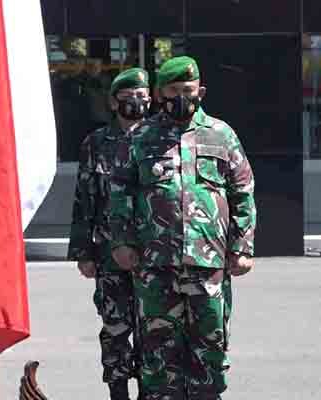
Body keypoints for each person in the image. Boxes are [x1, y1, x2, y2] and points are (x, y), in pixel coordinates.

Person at [110, 56, 256, 399]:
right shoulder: (141, 137)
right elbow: (120, 191)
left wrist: (242, 247)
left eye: (188, 90)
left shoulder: (221, 134)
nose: (181, 97)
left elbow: (243, 191)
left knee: (211, 350)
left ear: (200, 92)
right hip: (154, 266)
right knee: (157, 357)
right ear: (160, 94)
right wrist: (121, 242)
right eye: (173, 90)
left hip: (208, 264)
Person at [68, 67, 152, 400]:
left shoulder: (160, 139)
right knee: (115, 327)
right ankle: (118, 391)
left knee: (154, 330)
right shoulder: (96, 143)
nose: (136, 102)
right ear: (114, 102)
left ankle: (149, 391)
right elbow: (83, 199)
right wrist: (83, 252)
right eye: (128, 97)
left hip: (153, 253)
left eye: (142, 97)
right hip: (108, 253)